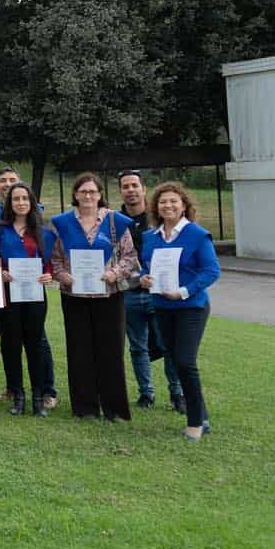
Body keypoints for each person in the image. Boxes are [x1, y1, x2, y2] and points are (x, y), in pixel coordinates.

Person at [50, 172, 135, 422]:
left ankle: (115, 409)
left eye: (93, 192)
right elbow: (54, 258)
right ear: (75, 195)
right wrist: (61, 274)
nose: (88, 196)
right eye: (83, 191)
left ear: (100, 195)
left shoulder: (114, 222)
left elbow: (130, 256)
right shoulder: (63, 224)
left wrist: (115, 272)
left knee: (111, 351)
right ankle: (85, 407)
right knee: (79, 351)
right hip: (74, 295)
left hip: (109, 295)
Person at [139, 182, 219, 441]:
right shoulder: (150, 237)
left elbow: (211, 271)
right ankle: (202, 415)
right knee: (176, 361)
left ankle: (195, 422)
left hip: (191, 306)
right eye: (163, 202)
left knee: (185, 361)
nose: (168, 205)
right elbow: (145, 267)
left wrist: (184, 291)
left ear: (184, 205)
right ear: (156, 207)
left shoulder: (197, 234)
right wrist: (144, 279)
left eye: (174, 201)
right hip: (162, 307)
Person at [0, 166, 59, 408]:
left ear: (32, 202)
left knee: (35, 343)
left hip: (35, 296)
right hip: (8, 295)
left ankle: (39, 395)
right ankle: (17, 394)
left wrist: (49, 274)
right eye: (16, 199)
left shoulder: (44, 233)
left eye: (25, 198)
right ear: (9, 203)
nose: (21, 202)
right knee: (10, 343)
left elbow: (52, 262)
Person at [117, 170, 184, 412]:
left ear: (143, 189)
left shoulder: (157, 218)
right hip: (131, 293)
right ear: (121, 191)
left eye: (135, 185)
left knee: (168, 345)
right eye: (126, 186)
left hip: (161, 292)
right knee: (137, 346)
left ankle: (177, 393)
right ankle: (146, 393)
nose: (131, 190)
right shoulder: (116, 222)